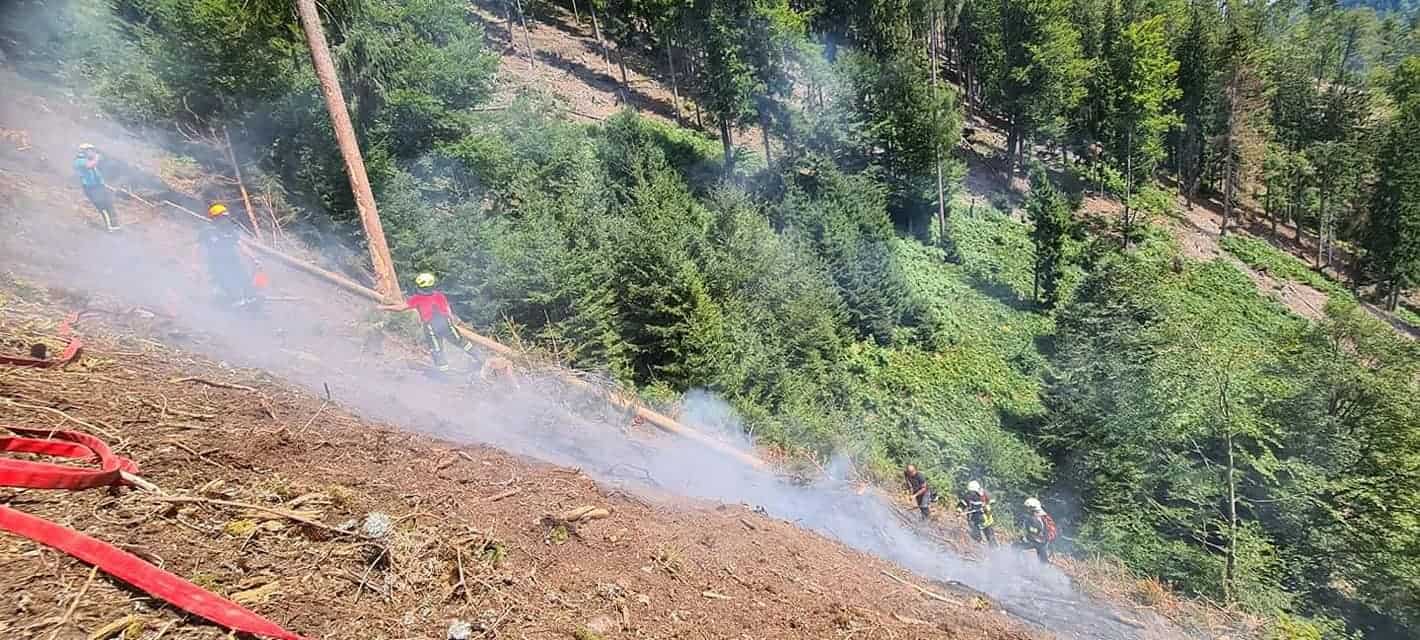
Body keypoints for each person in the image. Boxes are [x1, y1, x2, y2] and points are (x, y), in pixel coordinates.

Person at [378, 272, 476, 372]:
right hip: (446, 323)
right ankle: (478, 357)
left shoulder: (417, 298)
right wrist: (451, 322)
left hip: (431, 327)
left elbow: (400, 308)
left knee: (437, 349)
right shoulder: (439, 296)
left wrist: (383, 307)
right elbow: (448, 310)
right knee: (461, 342)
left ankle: (444, 373)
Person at [198, 203, 262, 307]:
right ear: (215, 218)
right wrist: (198, 265)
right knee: (227, 280)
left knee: (244, 278)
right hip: (217, 263)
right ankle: (234, 302)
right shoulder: (208, 231)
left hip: (233, 260)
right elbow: (200, 248)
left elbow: (241, 244)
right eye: (223, 217)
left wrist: (254, 258)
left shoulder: (230, 231)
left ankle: (250, 299)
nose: (226, 219)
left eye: (226, 217)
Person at [73, 143, 119, 232]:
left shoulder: (88, 161)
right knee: (103, 208)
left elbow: (97, 177)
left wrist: (106, 186)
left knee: (109, 205)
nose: (93, 152)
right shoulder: (79, 161)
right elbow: (90, 165)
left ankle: (115, 226)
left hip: (99, 187)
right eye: (90, 150)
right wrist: (96, 157)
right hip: (91, 189)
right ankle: (110, 228)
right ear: (84, 151)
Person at [957, 480, 998, 545]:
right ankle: (979, 546)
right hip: (973, 519)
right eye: (971, 492)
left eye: (973, 492)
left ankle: (995, 551)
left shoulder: (984, 494)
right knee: (977, 537)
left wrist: (987, 506)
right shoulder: (968, 496)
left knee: (991, 538)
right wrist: (959, 510)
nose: (972, 494)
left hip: (986, 520)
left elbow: (993, 501)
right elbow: (962, 504)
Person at [1022, 497, 1057, 564]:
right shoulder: (1044, 516)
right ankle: (1045, 569)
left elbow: (1035, 532)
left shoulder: (1035, 518)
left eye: (1027, 508)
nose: (1026, 510)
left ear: (1031, 508)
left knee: (1015, 547)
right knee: (1043, 561)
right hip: (1044, 542)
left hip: (1038, 542)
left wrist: (1026, 538)